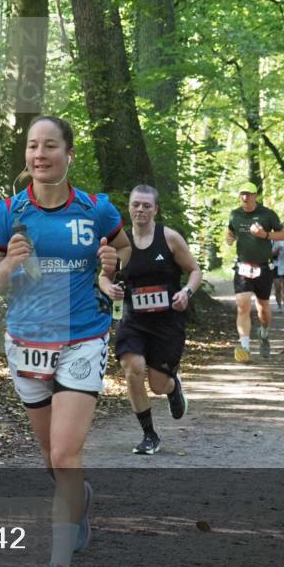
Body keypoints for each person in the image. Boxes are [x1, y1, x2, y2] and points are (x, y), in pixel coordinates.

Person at [0, 115, 128, 567]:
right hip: (28, 342)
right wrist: (7, 265)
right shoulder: (7, 213)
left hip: (83, 337)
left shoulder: (97, 209)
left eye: (51, 146)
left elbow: (122, 248)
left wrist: (112, 265)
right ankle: (79, 500)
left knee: (64, 453)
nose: (40, 154)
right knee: (52, 458)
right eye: (33, 147)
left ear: (69, 155)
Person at [98, 185, 202, 456]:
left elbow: (194, 271)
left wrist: (186, 292)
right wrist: (109, 289)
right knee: (132, 369)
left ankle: (173, 386)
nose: (140, 209)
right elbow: (104, 276)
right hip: (133, 319)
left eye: (146, 205)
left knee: (158, 385)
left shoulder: (169, 238)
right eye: (136, 205)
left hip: (167, 321)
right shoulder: (120, 243)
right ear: (129, 209)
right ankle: (149, 435)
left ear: (155, 209)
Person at [226, 182, 284, 362]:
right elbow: (230, 231)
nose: (245, 198)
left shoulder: (267, 214)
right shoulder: (235, 214)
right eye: (242, 194)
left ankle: (264, 333)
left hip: (264, 267)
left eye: (249, 194)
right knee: (243, 305)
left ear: (255, 196)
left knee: (263, 310)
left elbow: (283, 235)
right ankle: (244, 347)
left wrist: (265, 235)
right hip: (243, 266)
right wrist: (229, 237)